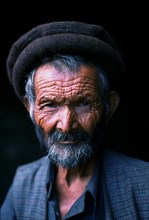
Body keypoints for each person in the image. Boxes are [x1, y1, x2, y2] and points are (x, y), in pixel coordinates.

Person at [1, 21, 149, 220]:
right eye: (50, 105)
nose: (66, 124)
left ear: (109, 106)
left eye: (84, 103)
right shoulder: (23, 183)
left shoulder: (144, 184)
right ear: (31, 108)